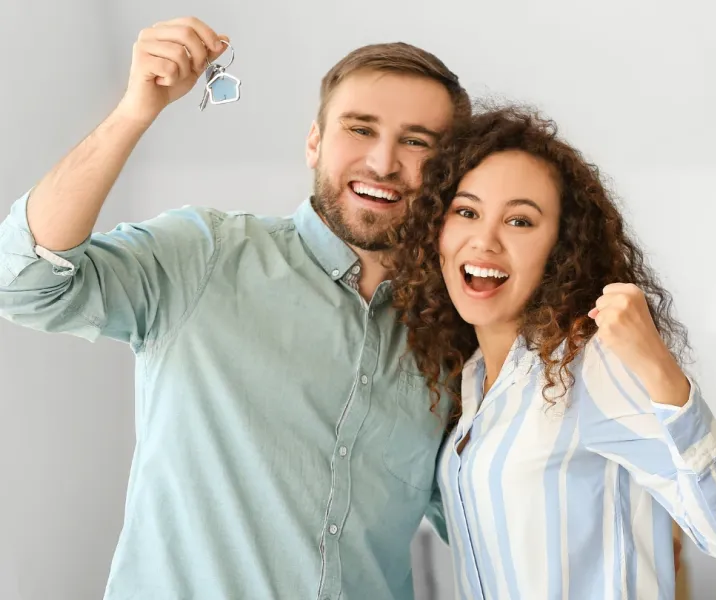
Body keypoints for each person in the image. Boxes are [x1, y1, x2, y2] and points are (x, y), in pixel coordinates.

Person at [0, 16, 469, 600]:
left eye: (417, 142)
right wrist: (134, 112)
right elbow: (24, 283)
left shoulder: (458, 338)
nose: (382, 162)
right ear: (314, 142)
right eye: (359, 128)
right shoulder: (204, 254)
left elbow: (480, 519)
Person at [390, 105, 716, 599]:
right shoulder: (473, 377)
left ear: (560, 248)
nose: (484, 240)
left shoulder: (590, 364)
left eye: (520, 221)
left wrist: (657, 364)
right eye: (467, 211)